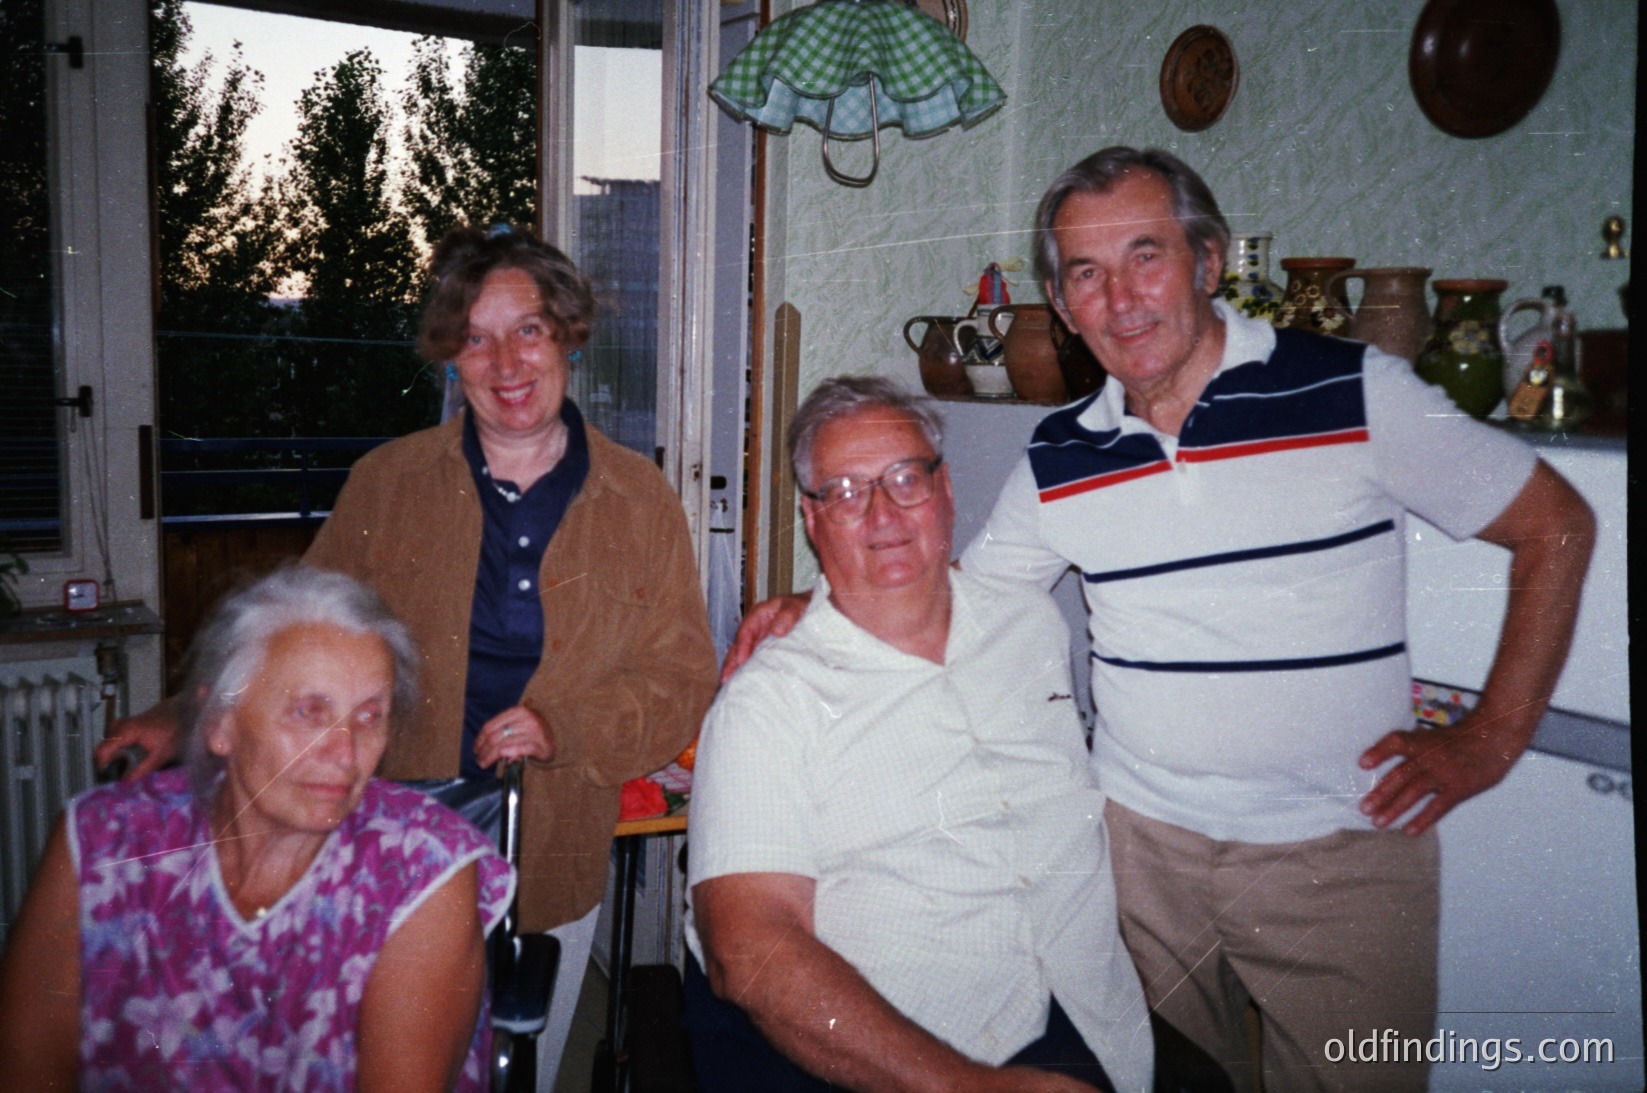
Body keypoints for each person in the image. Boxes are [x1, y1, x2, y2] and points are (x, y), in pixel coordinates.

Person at [726, 149, 1595, 1092]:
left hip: (1337, 856)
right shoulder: (1062, 452)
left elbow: (1556, 525)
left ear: (1208, 262)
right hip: (1137, 862)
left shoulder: (1352, 390)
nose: (1121, 300)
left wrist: (1491, 738)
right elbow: (937, 575)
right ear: (1060, 305)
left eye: (1145, 256)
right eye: (1086, 275)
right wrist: (810, 607)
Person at [95, 224, 720, 1087]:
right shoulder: (388, 482)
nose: (504, 360)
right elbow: (286, 632)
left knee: (519, 1064)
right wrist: (183, 714)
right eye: (474, 337)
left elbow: (681, 675)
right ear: (449, 358)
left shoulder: (641, 499)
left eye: (527, 329)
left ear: (568, 335)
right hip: (379, 835)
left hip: (550, 848)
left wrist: (561, 724)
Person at [686, 376, 1154, 1093]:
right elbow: (746, 948)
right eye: (844, 490)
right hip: (903, 1050)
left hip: (1098, 1017)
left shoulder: (1030, 624)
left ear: (946, 495)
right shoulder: (767, 702)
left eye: (905, 477)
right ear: (812, 522)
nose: (881, 512)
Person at [0, 565, 514, 1090]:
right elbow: (26, 1069)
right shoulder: (101, 837)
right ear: (220, 725)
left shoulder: (422, 868)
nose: (346, 755)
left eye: (369, 717)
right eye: (308, 712)